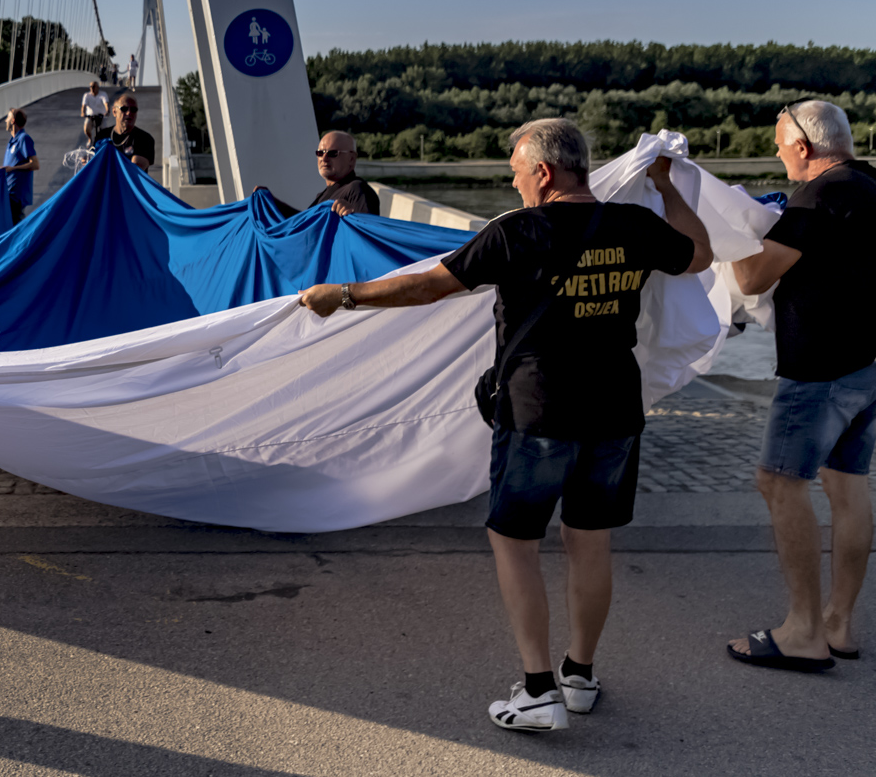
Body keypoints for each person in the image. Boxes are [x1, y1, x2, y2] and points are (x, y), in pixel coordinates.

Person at [298, 118, 711, 733]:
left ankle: (538, 689)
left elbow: (427, 287)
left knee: (515, 541)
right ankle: (579, 676)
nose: (514, 184)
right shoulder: (634, 225)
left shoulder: (516, 231)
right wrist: (667, 186)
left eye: (517, 172)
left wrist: (346, 296)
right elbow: (700, 253)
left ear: (544, 171)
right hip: (615, 409)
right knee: (590, 542)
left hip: (538, 409)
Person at [724, 100, 876, 672]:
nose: (777, 151)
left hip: (819, 368)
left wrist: (732, 234)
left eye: (780, 142)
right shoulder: (868, 185)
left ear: (804, 147)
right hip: (866, 362)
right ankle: (838, 623)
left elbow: (752, 277)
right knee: (847, 483)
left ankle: (802, 632)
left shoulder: (817, 195)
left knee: (779, 482)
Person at [0, 107, 38, 223]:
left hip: (16, 196)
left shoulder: (24, 139)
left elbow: (35, 164)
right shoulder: (12, 141)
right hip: (8, 194)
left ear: (13, 121)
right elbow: (7, 169)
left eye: (7, 117)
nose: (5, 120)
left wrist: (13, 168)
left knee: (15, 226)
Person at [95, 92, 154, 172]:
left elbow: (134, 169)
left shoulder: (145, 139)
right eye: (124, 109)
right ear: (114, 112)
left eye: (133, 110)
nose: (129, 113)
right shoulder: (102, 136)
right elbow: (93, 162)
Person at [80, 81, 109, 146]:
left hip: (101, 115)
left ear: (98, 87)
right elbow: (83, 106)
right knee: (86, 128)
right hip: (90, 116)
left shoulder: (103, 94)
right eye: (90, 87)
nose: (92, 88)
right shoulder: (86, 95)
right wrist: (83, 113)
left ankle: (103, 142)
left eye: (93, 87)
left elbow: (106, 104)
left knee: (104, 130)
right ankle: (90, 139)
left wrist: (107, 111)